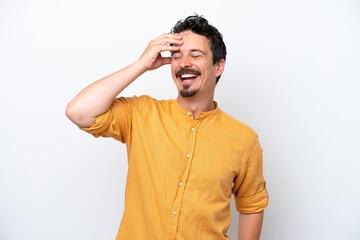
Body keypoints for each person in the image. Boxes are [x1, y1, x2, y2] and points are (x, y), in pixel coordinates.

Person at [66, 15, 269, 240]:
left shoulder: (244, 139)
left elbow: (251, 205)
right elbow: (78, 111)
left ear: (218, 66)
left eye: (196, 55)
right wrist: (140, 65)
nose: (183, 63)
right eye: (176, 56)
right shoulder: (141, 114)